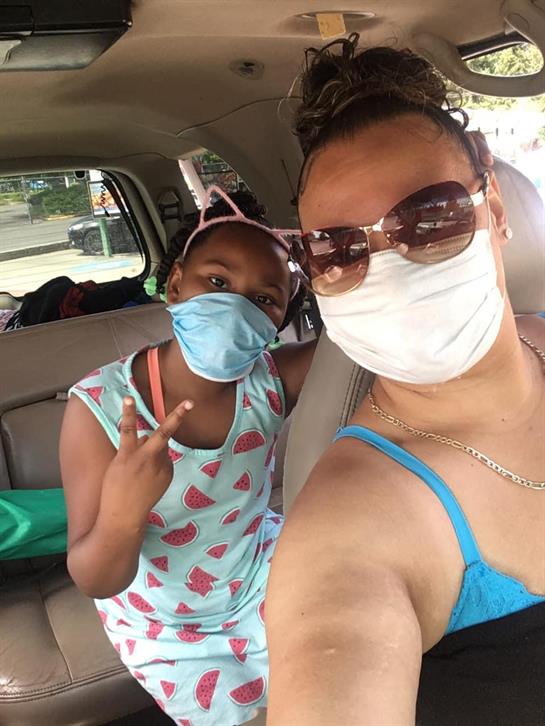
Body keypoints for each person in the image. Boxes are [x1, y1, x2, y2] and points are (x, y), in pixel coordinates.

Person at [266, 36, 545, 725]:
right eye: (338, 249)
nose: (388, 272)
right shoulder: (349, 527)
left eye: (429, 217)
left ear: (495, 209)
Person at [60, 186, 315, 726]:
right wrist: (123, 514)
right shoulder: (99, 406)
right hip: (163, 625)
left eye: (264, 299)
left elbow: (360, 339)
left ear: (279, 321)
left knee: (328, 687)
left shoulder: (274, 381)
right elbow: (95, 579)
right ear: (175, 284)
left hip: (260, 575)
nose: (236, 307)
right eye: (217, 283)